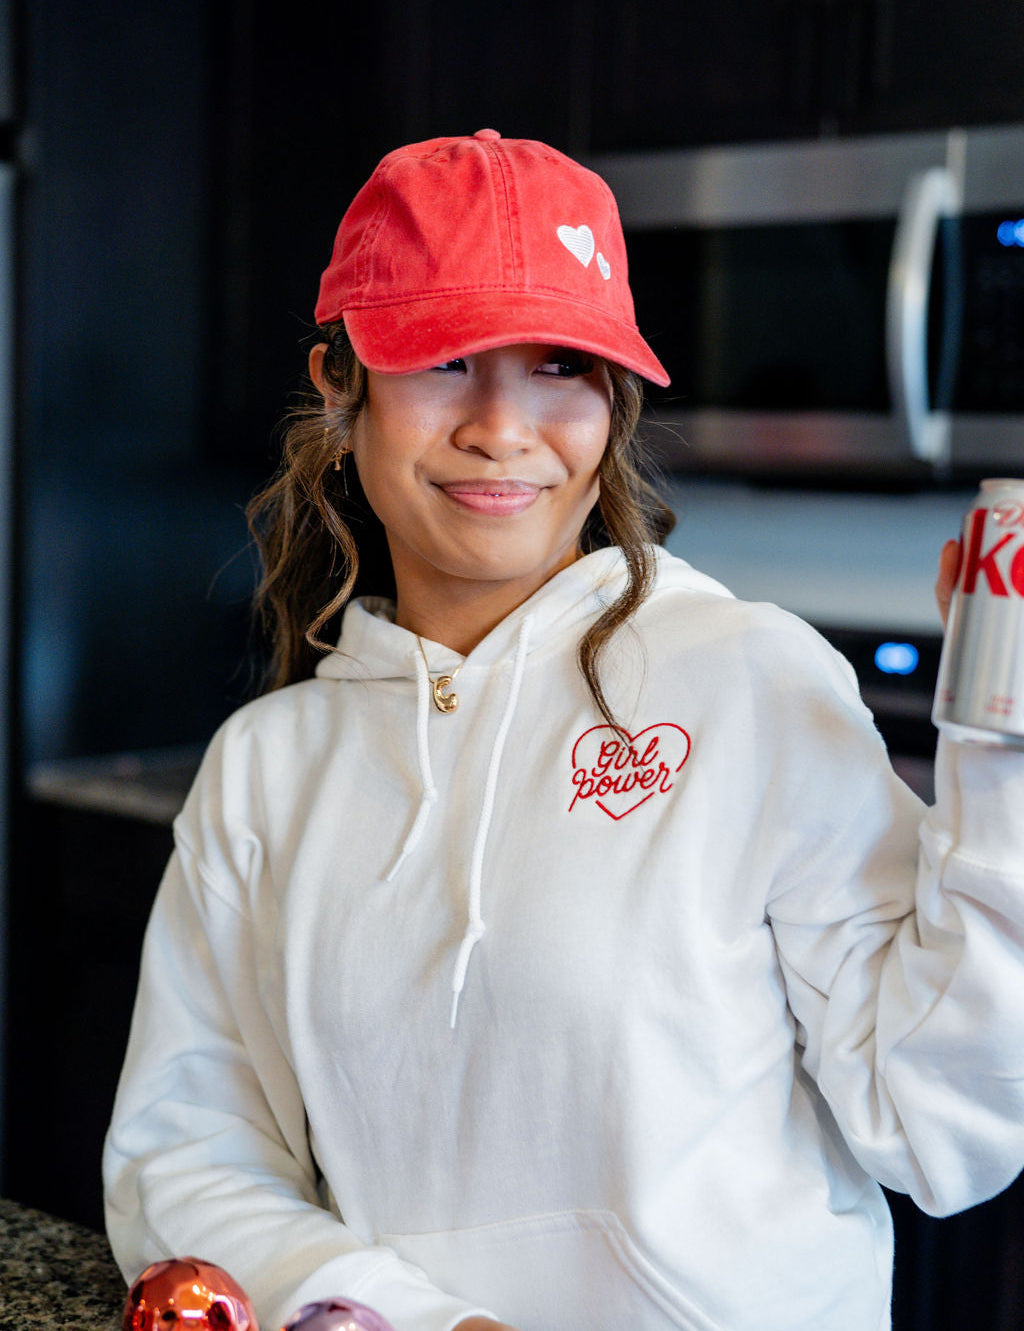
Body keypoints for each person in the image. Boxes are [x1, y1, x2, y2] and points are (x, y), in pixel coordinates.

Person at [103, 130, 1024, 1331]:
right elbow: (186, 1156)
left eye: (558, 364)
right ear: (339, 384)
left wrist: (1004, 777)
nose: (502, 426)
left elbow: (943, 1127)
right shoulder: (265, 771)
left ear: (613, 403)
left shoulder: (749, 680)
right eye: (442, 358)